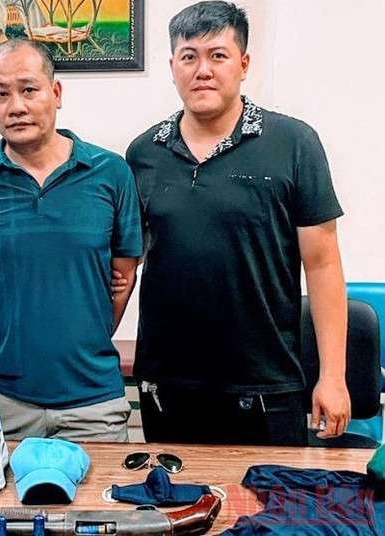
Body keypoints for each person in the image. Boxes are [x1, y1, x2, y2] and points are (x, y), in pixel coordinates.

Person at [124, 1, 350, 446]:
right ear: (172, 67)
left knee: (272, 494)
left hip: (267, 386)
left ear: (243, 65)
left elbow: (323, 264)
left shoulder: (293, 143)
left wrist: (333, 377)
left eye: (218, 56)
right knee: (173, 494)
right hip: (168, 385)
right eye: (189, 57)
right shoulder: (143, 153)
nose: (202, 71)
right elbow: (128, 260)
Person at [0, 39, 143, 441]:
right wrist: (6, 333)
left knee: (99, 486)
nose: (16, 106)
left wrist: (85, 337)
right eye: (1, 94)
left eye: (29, 89)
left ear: (56, 93)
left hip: (93, 402)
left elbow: (123, 276)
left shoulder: (111, 173)